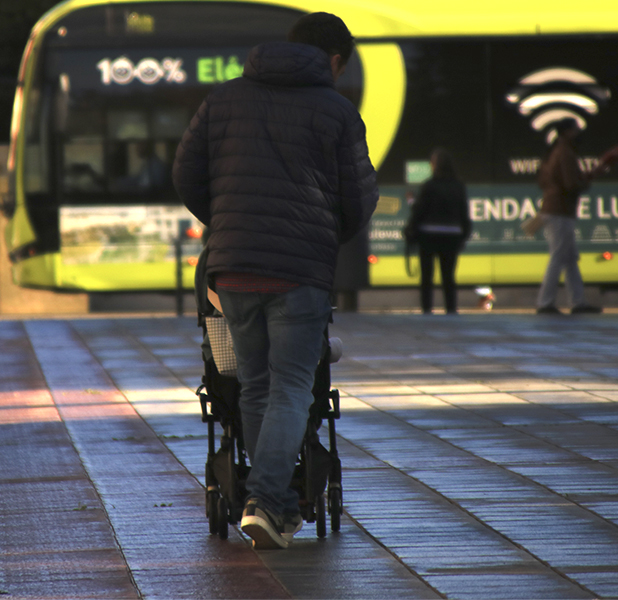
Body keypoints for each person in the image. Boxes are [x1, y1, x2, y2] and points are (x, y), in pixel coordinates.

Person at [173, 12, 377, 549]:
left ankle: (274, 505)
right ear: (333, 60)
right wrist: (327, 236)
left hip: (234, 269)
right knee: (292, 385)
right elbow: (359, 196)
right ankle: (264, 499)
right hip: (299, 272)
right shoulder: (336, 109)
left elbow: (185, 172)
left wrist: (225, 222)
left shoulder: (223, 100)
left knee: (256, 385)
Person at [534, 119, 618, 315]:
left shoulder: (555, 151)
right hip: (560, 212)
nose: (578, 132)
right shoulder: (565, 153)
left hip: (555, 210)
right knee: (559, 257)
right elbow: (572, 185)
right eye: (575, 129)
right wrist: (597, 171)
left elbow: (550, 182)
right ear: (567, 132)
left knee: (569, 259)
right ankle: (545, 303)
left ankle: (578, 302)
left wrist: (595, 171)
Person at [406, 148, 471, 314]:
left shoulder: (430, 186)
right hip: (452, 235)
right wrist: (464, 235)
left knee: (427, 276)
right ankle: (451, 308)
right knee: (448, 276)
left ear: (435, 165)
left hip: (428, 235)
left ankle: (427, 308)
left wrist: (410, 226)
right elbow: (464, 213)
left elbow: (420, 211)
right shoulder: (459, 186)